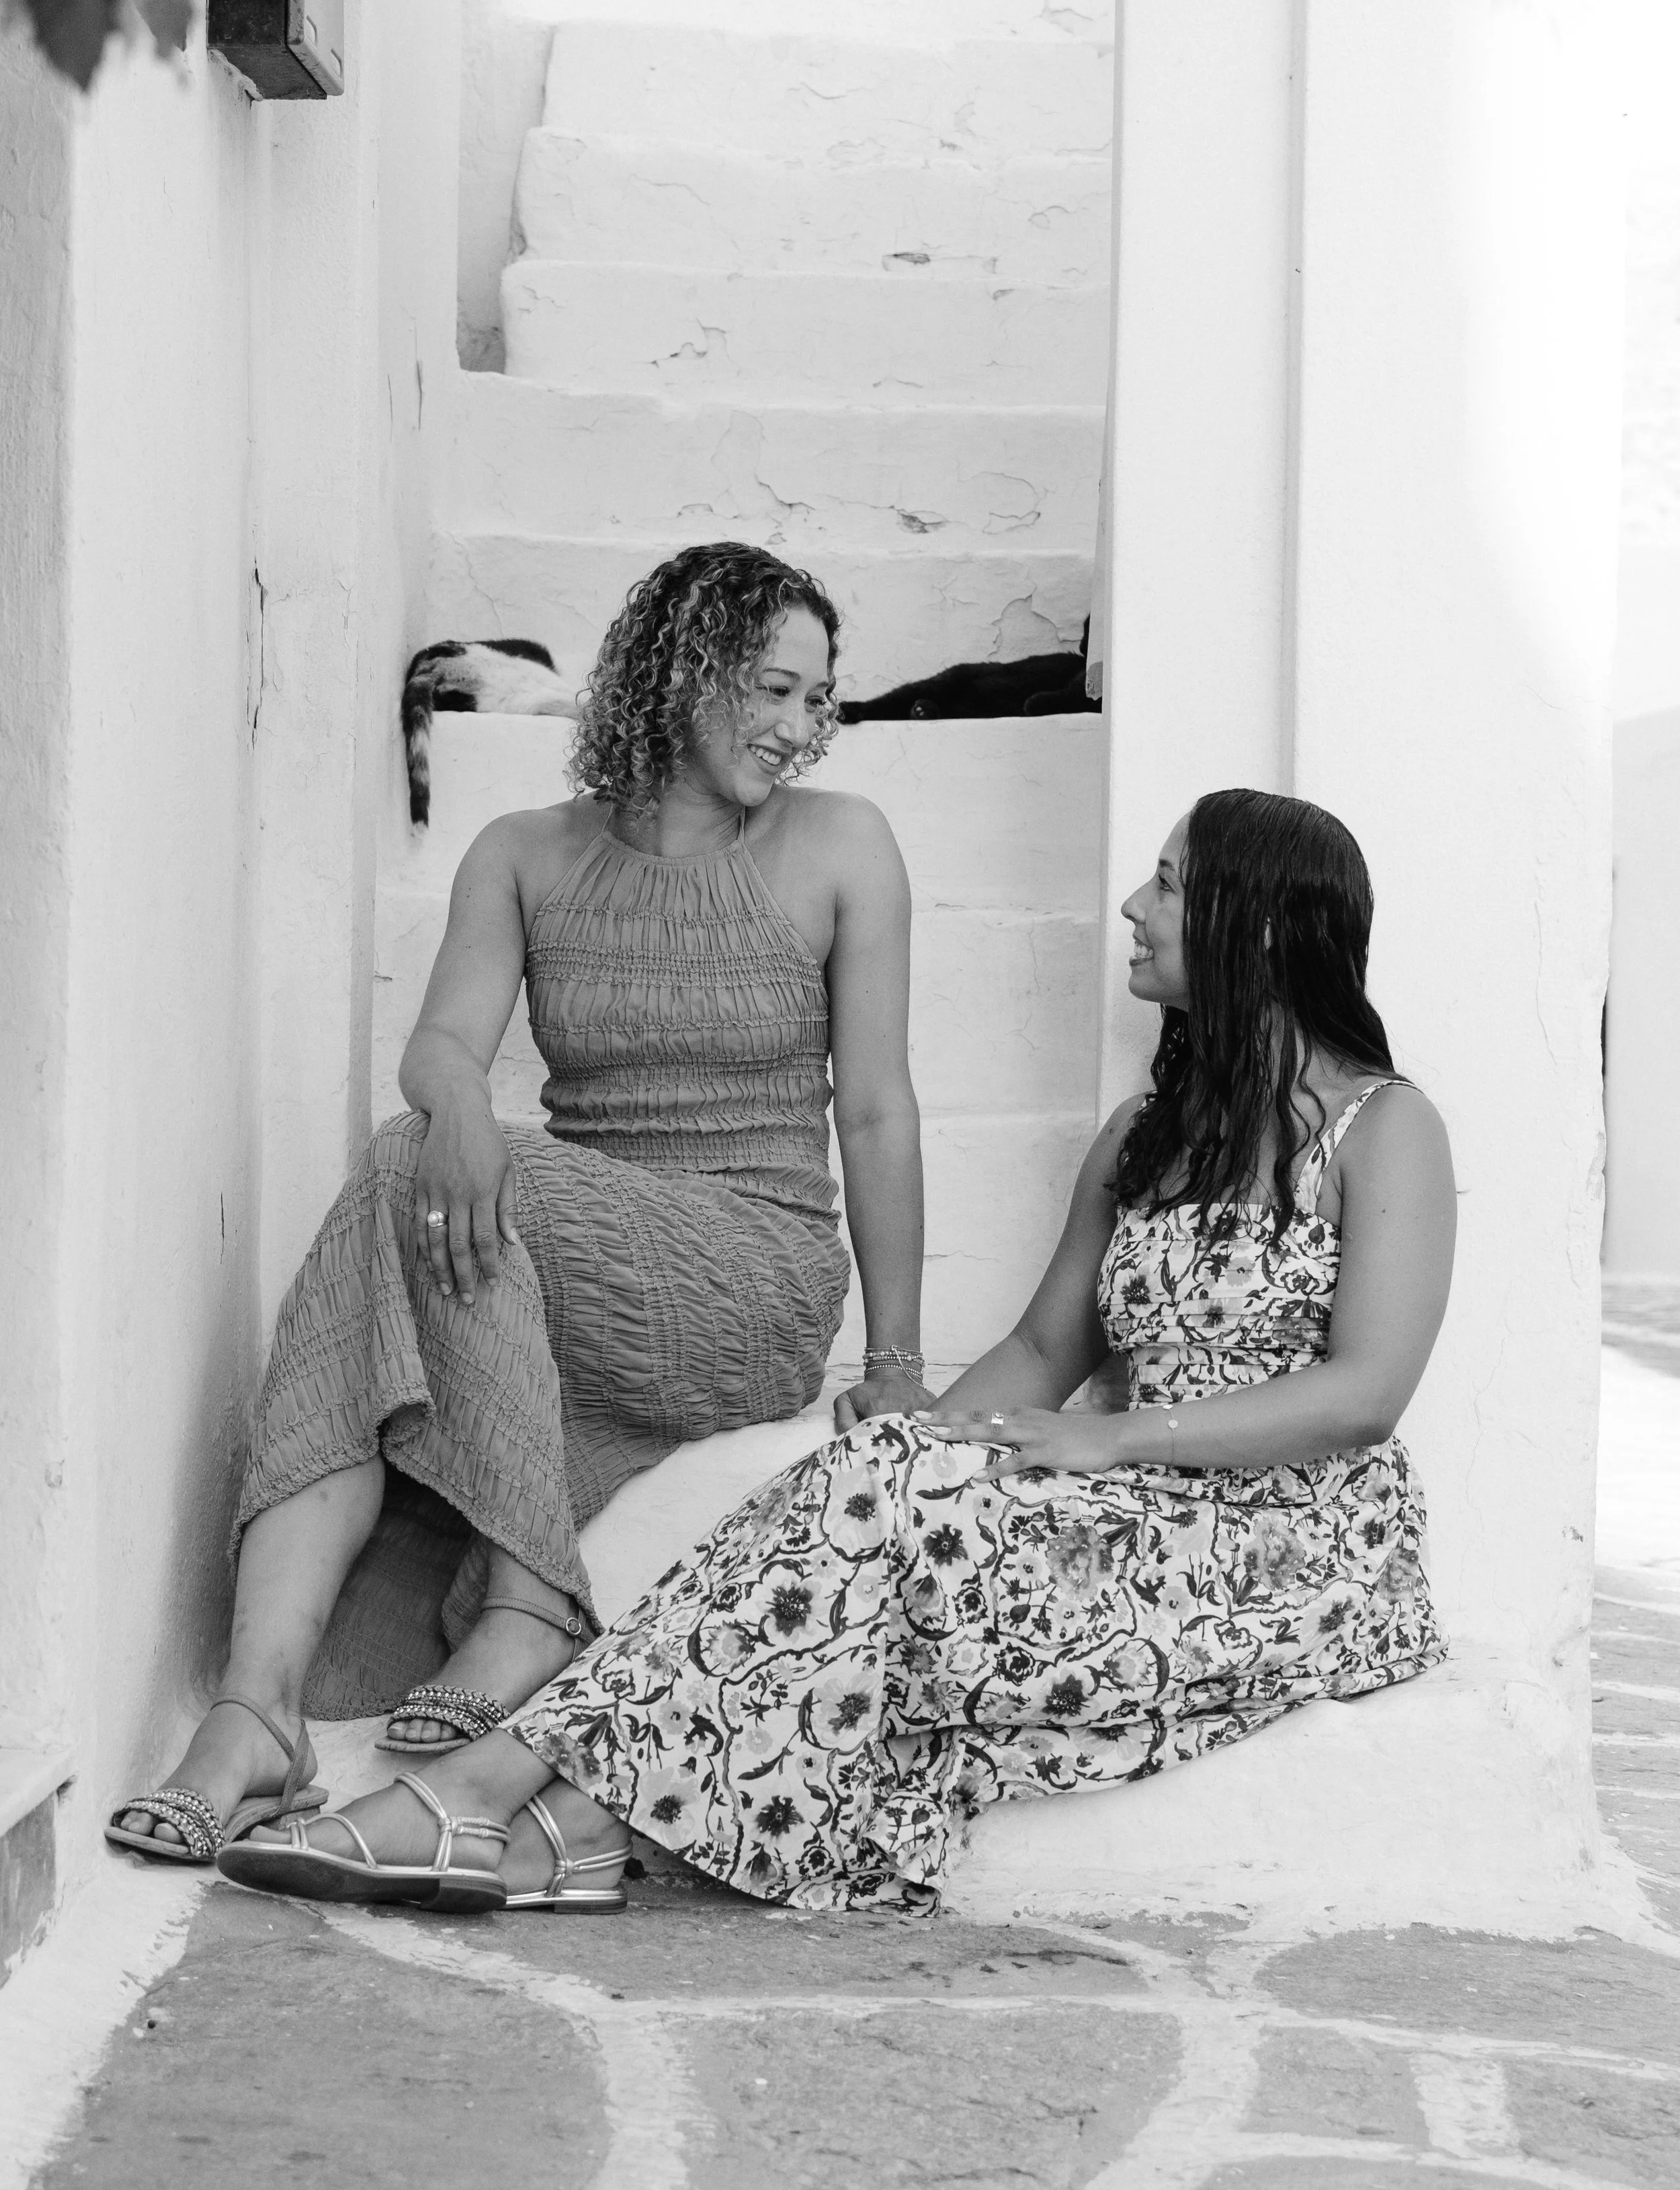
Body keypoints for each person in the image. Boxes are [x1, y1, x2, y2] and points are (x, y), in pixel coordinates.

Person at [220, 786, 1454, 1915]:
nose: (1137, 905)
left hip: (1293, 1546)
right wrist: (930, 1443)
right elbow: (1040, 1345)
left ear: (1264, 928)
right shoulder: (1147, 1135)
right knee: (859, 1479)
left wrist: (1107, 1438)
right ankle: (560, 1823)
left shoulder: (1384, 1129)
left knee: (882, 1502)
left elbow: (1363, 1395)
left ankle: (485, 1798)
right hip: (1133, 1509)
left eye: (1173, 883)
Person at [110, 544, 929, 1863]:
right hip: (555, 1268)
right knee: (416, 1156)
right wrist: (462, 1113)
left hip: (749, 1272)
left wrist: (895, 1359)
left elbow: (876, 1109)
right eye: (773, 689)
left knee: (411, 1163)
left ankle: (524, 1597)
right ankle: (254, 1707)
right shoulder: (525, 853)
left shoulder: (842, 846)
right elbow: (441, 1045)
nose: (797, 729)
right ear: (684, 669)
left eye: (814, 701)